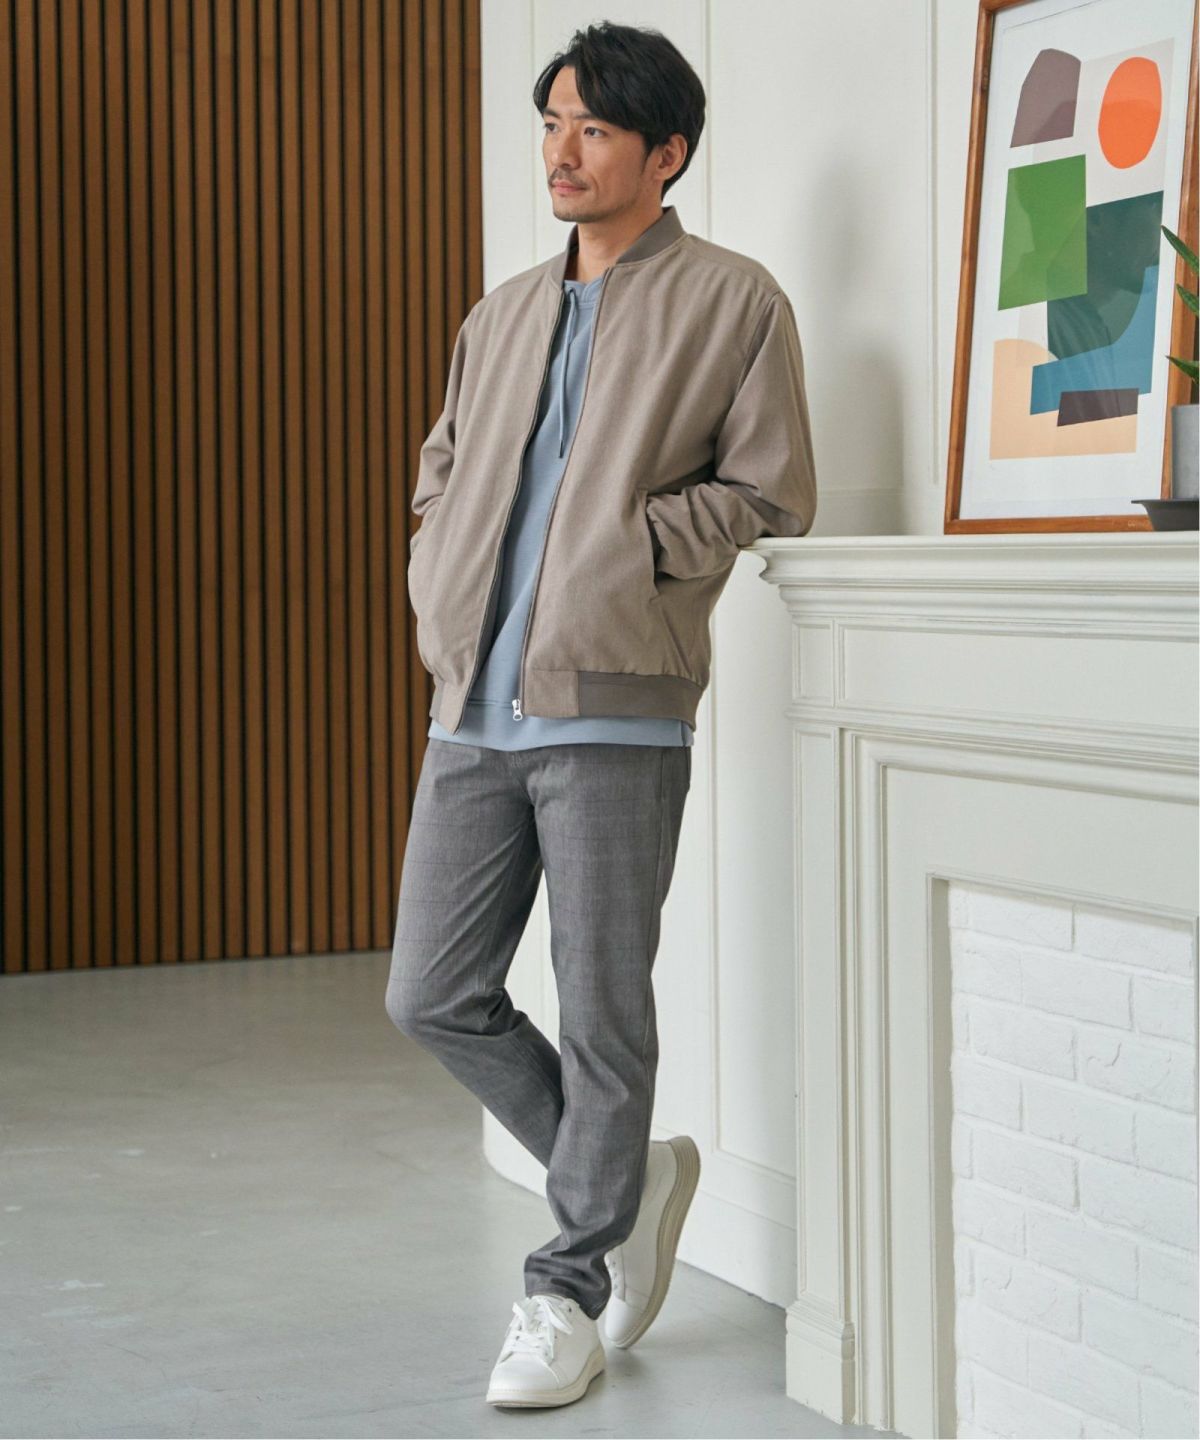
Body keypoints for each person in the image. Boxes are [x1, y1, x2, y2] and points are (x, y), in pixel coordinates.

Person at [386, 18, 817, 1411]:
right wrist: (438, 564)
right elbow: (443, 471)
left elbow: (770, 490)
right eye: (553, 125)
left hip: (618, 708)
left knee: (602, 1010)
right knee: (431, 992)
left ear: (665, 152)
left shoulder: (735, 300)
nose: (562, 153)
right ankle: (630, 1188)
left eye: (594, 129)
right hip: (473, 707)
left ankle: (567, 1290)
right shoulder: (503, 312)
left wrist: (629, 548)